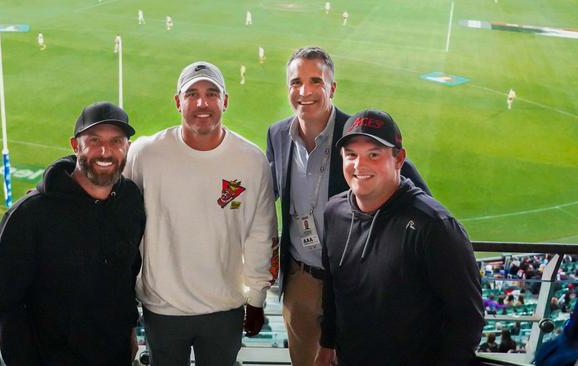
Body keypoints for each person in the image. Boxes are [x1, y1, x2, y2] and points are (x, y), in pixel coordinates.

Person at [266, 47, 431, 366]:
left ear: (332, 87)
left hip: (354, 284)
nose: (305, 91)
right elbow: (267, 193)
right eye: (295, 82)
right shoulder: (278, 135)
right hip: (302, 279)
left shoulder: (358, 135)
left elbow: (419, 198)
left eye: (316, 81)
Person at [124, 61, 277, 366]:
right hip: (163, 307)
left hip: (224, 307)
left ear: (225, 101)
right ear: (177, 101)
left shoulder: (250, 160)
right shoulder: (145, 154)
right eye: (191, 94)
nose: (202, 103)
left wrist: (257, 299)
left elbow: (261, 234)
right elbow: (119, 221)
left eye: (211, 93)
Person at [315, 108, 484, 365]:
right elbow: (332, 287)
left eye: (374, 154)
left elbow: (467, 318)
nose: (360, 165)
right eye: (351, 155)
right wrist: (327, 344)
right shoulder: (333, 212)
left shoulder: (434, 226)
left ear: (398, 159)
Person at [0, 101, 145, 365]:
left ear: (127, 147)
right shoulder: (29, 214)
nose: (105, 151)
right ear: (75, 145)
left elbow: (126, 275)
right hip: (52, 357)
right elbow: (5, 304)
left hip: (114, 353)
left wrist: (128, 331)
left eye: (116, 141)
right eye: (94, 140)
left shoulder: (130, 201)